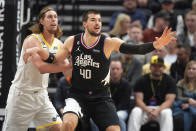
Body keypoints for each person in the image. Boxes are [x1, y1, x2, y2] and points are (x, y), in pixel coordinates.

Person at [24, 9, 176, 131]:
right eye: (93, 20)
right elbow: (54, 58)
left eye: (99, 20)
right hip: (78, 96)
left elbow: (135, 49)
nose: (98, 23)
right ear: (84, 23)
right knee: (67, 125)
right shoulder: (73, 41)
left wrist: (156, 45)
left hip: (101, 98)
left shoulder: (108, 42)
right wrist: (37, 50)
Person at [2, 7, 71, 131]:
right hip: (22, 95)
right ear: (41, 21)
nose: (53, 19)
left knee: (58, 128)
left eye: (55, 16)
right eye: (49, 17)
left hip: (41, 96)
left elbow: (68, 72)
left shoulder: (59, 44)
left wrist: (80, 61)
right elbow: (42, 68)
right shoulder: (32, 40)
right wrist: (68, 65)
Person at [128, 55, 176, 131]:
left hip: (161, 109)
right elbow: (138, 100)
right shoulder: (141, 80)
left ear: (164, 68)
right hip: (145, 108)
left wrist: (157, 110)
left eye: (159, 66)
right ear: (150, 67)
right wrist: (148, 110)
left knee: (167, 112)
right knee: (136, 111)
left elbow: (169, 101)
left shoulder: (170, 81)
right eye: (154, 66)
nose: (157, 68)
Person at [173, 61, 196, 131]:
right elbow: (178, 97)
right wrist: (188, 100)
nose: (191, 70)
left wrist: (190, 105)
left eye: (194, 69)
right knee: (178, 118)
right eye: (189, 68)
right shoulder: (180, 83)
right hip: (181, 107)